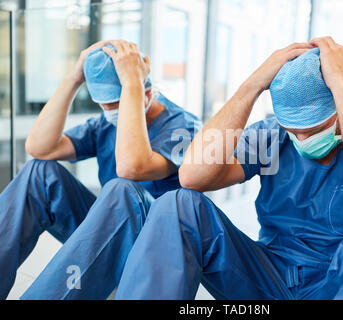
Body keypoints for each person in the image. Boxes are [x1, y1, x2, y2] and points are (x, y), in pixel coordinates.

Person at [113, 37, 343, 300]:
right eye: (292, 129)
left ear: (341, 107)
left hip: (341, 284)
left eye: (311, 129)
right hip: (266, 279)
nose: (299, 138)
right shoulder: (271, 137)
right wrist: (252, 86)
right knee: (178, 203)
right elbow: (192, 176)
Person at [0, 40, 201, 299]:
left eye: (116, 105)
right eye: (103, 106)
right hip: (107, 230)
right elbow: (40, 147)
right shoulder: (105, 124)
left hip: (156, 242)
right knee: (38, 172)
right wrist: (73, 80)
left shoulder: (184, 127)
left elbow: (132, 168)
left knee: (122, 189)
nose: (109, 114)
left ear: (147, 95)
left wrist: (132, 85)